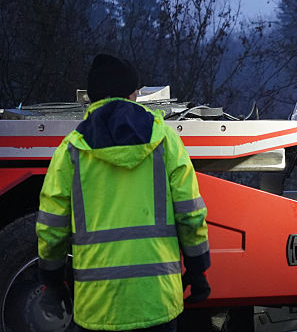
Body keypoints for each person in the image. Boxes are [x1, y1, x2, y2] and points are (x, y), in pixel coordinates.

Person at [35, 54, 211, 331]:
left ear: (91, 98)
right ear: (134, 94)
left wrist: (53, 281)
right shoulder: (165, 140)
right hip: (158, 302)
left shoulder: (71, 150)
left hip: (97, 308)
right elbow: (190, 213)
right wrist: (198, 268)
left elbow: (51, 227)